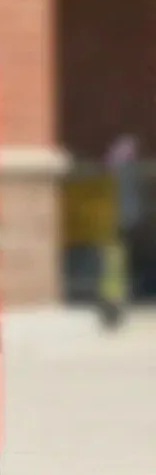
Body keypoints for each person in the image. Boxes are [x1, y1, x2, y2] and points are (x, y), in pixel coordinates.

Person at [100, 135, 140, 329]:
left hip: (117, 220)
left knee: (116, 261)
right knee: (116, 262)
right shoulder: (125, 169)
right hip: (119, 220)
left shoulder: (116, 169)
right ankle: (115, 307)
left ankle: (114, 306)